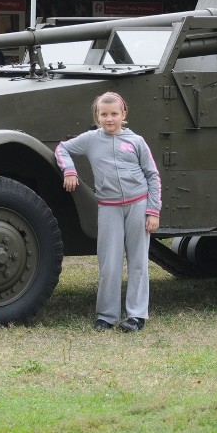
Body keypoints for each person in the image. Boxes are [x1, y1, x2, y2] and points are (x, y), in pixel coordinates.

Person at [55, 92, 161, 332]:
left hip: (138, 204)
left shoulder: (136, 142)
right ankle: (106, 316)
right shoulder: (91, 139)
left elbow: (153, 176)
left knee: (137, 261)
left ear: (124, 115)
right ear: (97, 116)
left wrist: (152, 211)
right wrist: (70, 171)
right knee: (109, 263)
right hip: (109, 208)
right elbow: (62, 149)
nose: (109, 119)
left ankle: (136, 315)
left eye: (114, 114)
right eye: (104, 114)